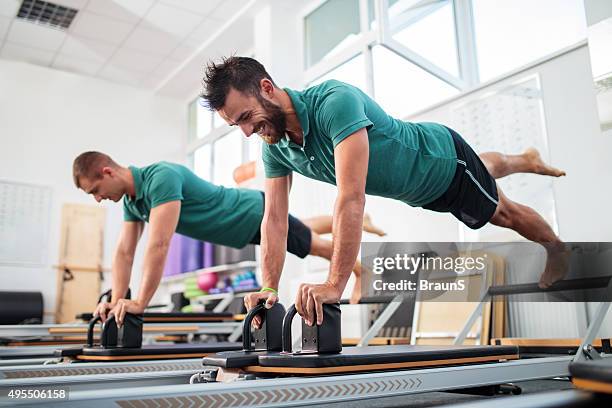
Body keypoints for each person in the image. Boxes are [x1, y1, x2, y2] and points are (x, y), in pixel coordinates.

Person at [200, 56, 568, 326]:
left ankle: (556, 248)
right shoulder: (274, 144)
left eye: (246, 117)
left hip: (439, 163)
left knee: (502, 212)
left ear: (267, 88)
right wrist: (268, 286)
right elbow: (275, 219)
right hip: (419, 189)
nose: (247, 132)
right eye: (236, 125)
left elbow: (350, 198)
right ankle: (525, 159)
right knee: (485, 169)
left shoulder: (333, 102)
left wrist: (334, 284)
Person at [72, 151, 385, 325]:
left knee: (311, 246)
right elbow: (124, 252)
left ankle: (359, 270)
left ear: (108, 172)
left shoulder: (159, 178)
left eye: (95, 191)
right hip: (239, 225)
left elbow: (158, 244)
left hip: (248, 212)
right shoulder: (131, 200)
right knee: (301, 229)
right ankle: (346, 224)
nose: (98, 199)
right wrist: (114, 302)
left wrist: (141, 302)